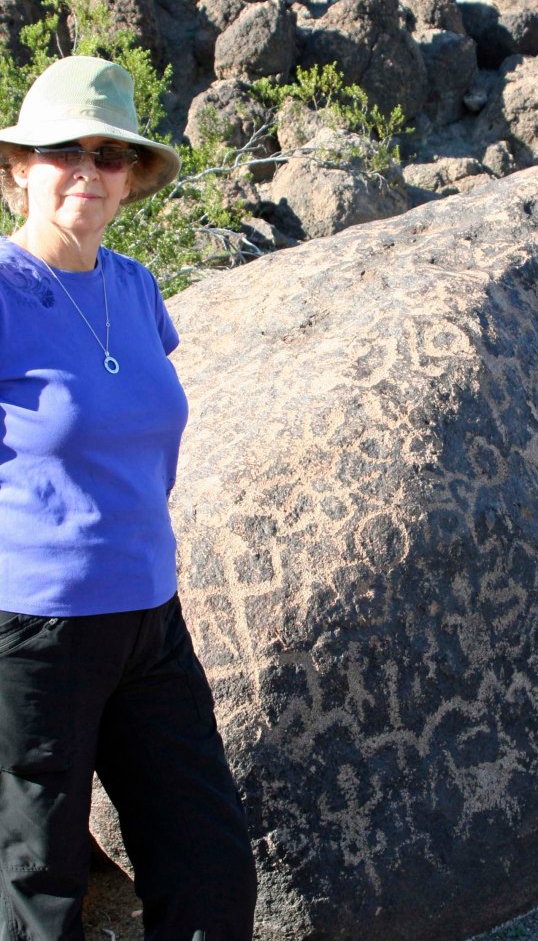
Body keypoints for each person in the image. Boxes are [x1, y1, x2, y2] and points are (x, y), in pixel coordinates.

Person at [0, 55, 257, 940]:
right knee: (40, 892)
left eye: (110, 154)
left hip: (150, 619)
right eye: (63, 149)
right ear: (17, 171)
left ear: (129, 178)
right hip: (31, 637)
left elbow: (140, 435)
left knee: (210, 864)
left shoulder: (137, 288)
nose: (88, 169)